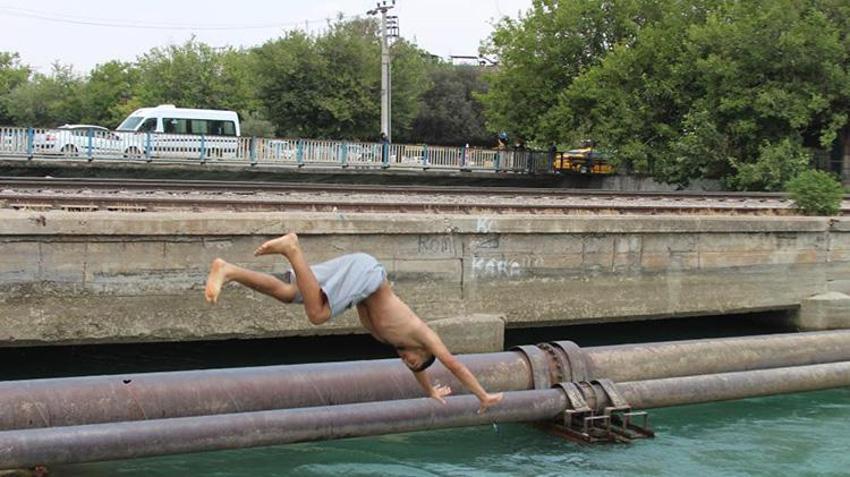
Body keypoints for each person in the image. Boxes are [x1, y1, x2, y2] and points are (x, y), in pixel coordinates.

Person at [204, 233, 504, 413]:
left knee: (288, 293)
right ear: (424, 354)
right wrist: (483, 395)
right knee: (318, 314)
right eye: (413, 361)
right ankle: (292, 248)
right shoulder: (422, 334)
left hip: (359, 272)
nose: (407, 361)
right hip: (368, 274)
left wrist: (430, 392)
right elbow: (454, 365)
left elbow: (418, 371)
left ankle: (228, 270)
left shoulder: (397, 342)